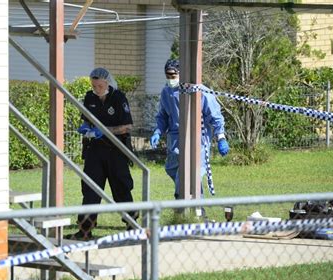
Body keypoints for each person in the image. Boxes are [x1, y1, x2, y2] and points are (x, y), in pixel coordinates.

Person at [67, 67, 138, 240]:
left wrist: (105, 131)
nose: (96, 89)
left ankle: (132, 226)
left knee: (121, 188)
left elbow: (127, 126)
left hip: (116, 150)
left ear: (108, 82)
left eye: (100, 86)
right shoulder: (89, 97)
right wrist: (86, 128)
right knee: (90, 190)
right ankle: (85, 230)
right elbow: (86, 120)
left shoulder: (118, 97)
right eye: (94, 85)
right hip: (95, 151)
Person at [150, 59, 230, 207]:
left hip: (197, 139)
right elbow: (163, 116)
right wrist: (158, 131)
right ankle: (191, 208)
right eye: (167, 76)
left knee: (191, 174)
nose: (170, 79)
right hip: (175, 139)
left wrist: (221, 137)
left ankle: (190, 209)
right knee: (173, 170)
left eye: (173, 75)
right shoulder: (167, 92)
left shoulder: (201, 92)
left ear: (182, 74)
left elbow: (216, 116)